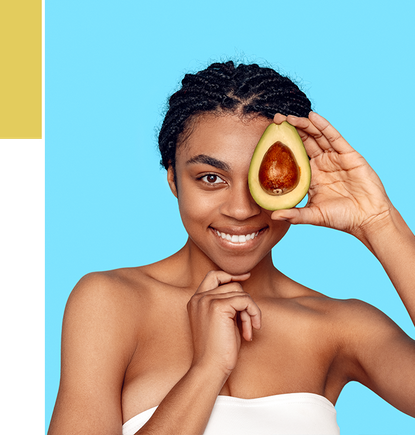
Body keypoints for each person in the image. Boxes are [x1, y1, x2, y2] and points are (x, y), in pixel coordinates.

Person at [47, 61, 415, 435]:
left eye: (266, 176)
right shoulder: (110, 303)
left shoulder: (341, 326)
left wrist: (379, 222)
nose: (241, 209)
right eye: (211, 178)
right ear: (173, 179)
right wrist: (207, 369)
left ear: (301, 179)